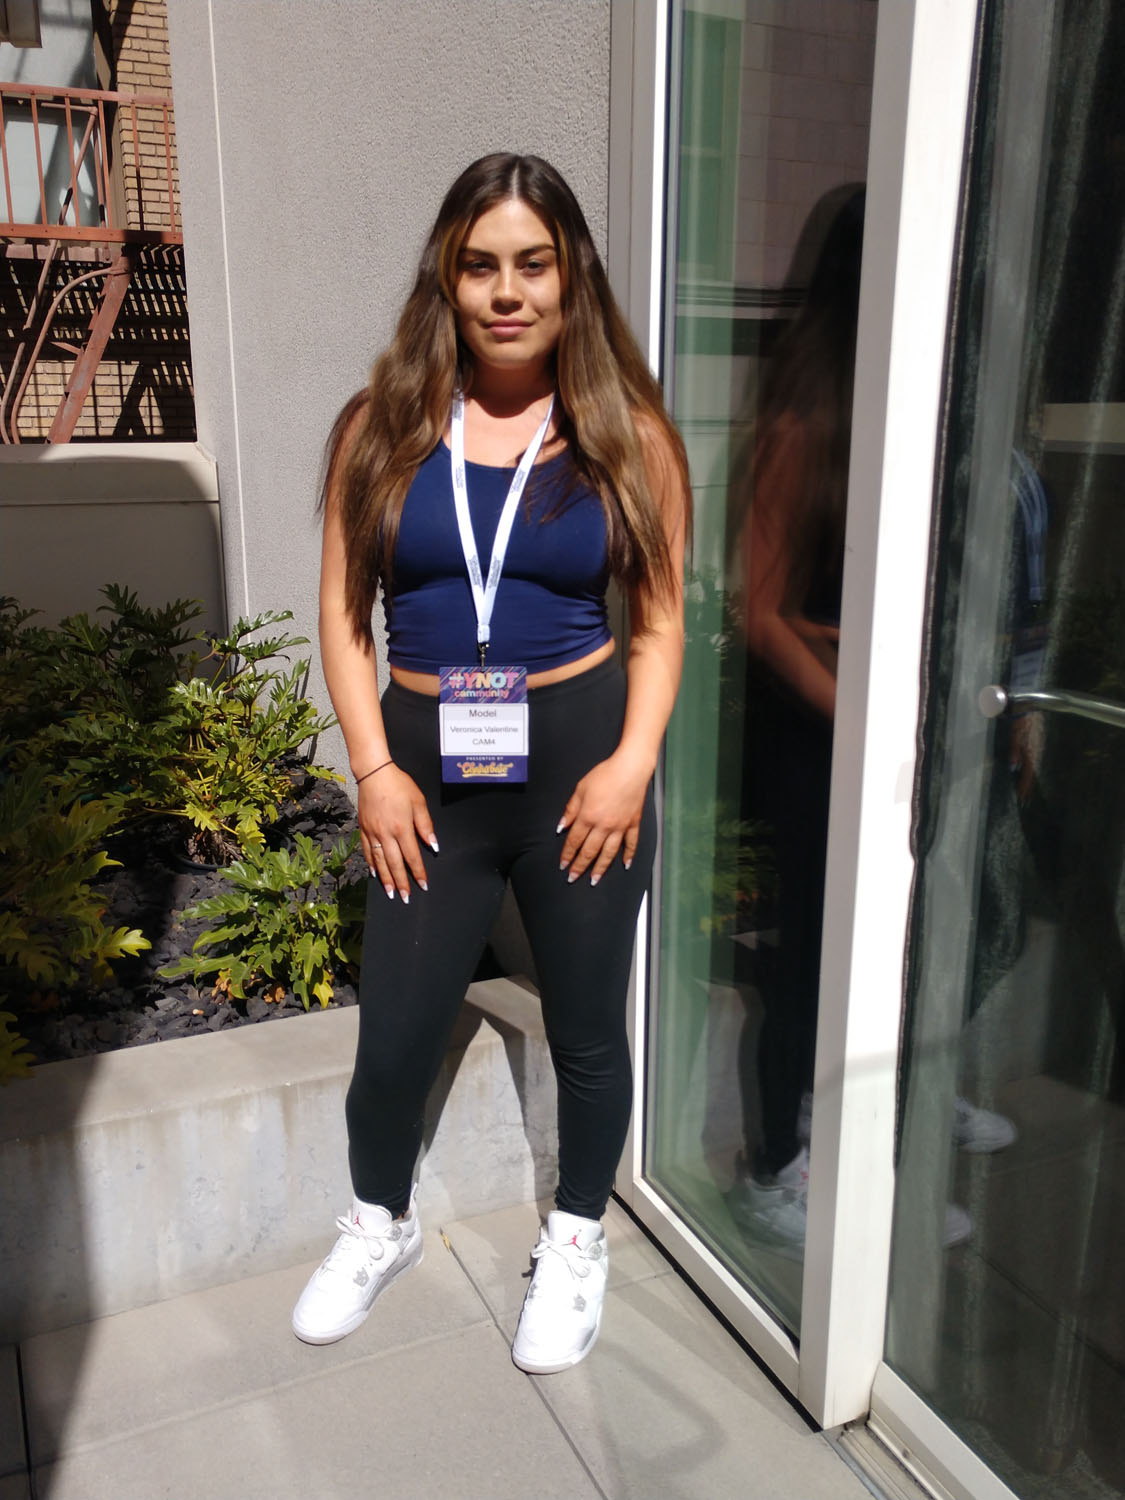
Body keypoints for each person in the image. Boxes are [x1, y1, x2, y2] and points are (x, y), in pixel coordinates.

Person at [291, 153, 689, 1374]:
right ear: (446, 278)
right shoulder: (379, 428)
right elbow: (344, 620)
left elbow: (660, 626)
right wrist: (372, 769)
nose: (507, 292)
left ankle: (576, 1239)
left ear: (571, 278)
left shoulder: (627, 436)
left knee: (588, 1032)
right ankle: (380, 1221)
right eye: (480, 266)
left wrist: (632, 763)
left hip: (581, 773)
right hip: (425, 781)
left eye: (533, 265)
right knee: (394, 1035)